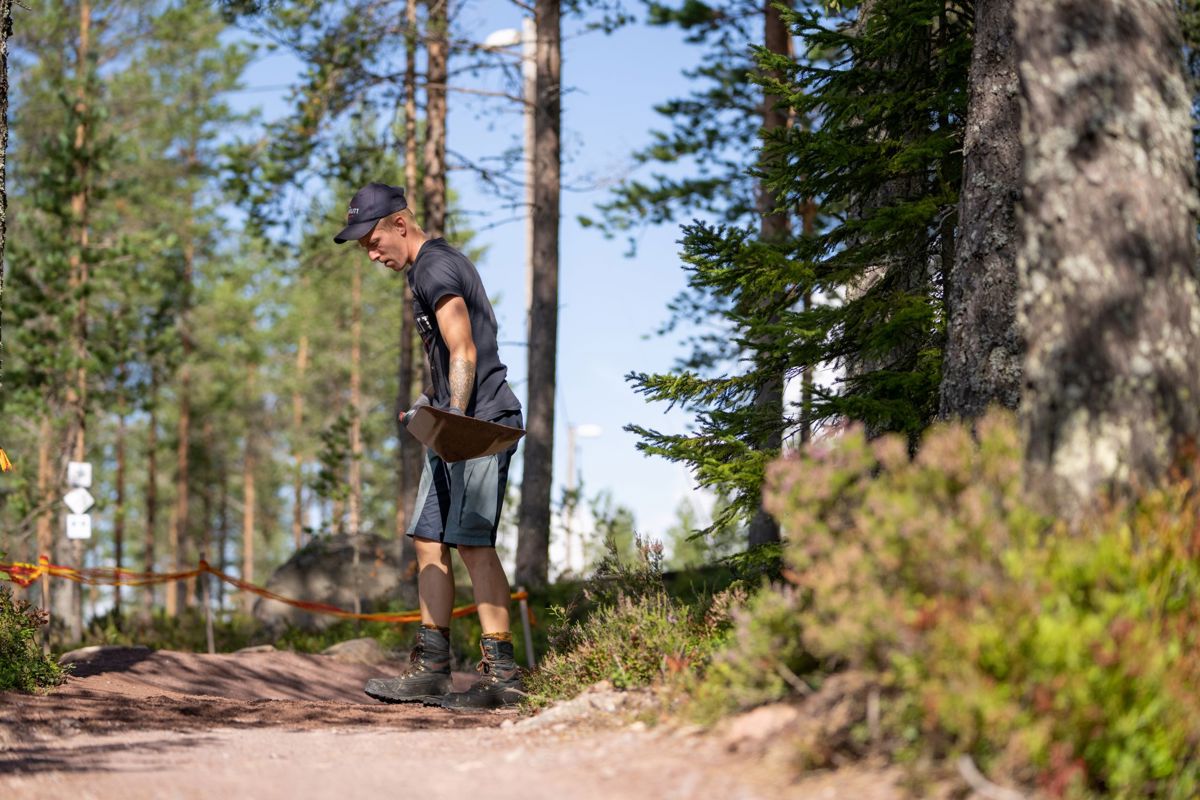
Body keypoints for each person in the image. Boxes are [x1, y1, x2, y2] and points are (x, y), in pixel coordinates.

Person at [333, 182, 525, 709]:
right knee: (427, 539)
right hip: (451, 423)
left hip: (481, 423)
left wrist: (454, 420)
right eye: (362, 248)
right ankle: (433, 667)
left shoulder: (435, 266)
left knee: (472, 543)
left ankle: (503, 676)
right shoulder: (422, 272)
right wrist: (429, 405)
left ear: (400, 223)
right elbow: (452, 357)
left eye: (373, 241)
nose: (371, 254)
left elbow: (463, 346)